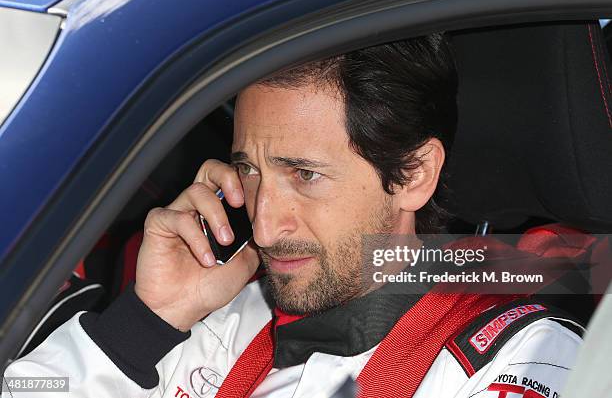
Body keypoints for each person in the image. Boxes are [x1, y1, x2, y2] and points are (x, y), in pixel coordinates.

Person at [2, 34, 582, 398]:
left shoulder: (522, 359)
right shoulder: (221, 320)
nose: (265, 222)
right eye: (249, 171)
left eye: (304, 174)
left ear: (412, 174)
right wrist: (143, 325)